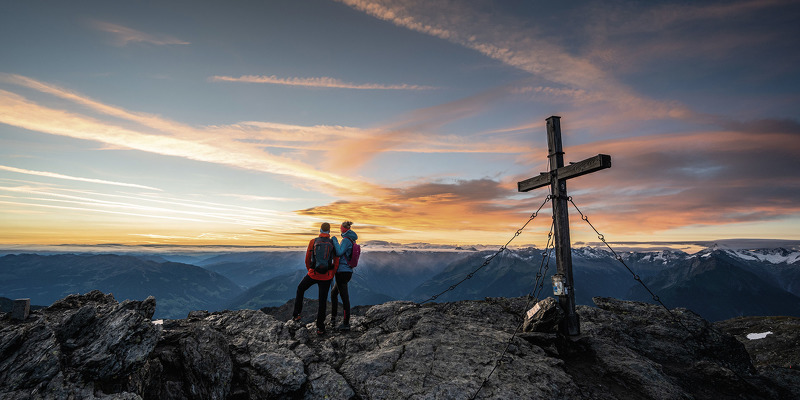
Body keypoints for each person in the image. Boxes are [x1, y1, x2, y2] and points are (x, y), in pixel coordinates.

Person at [292, 222, 339, 335]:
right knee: (322, 302)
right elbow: (336, 260)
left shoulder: (313, 241)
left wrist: (310, 270)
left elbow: (307, 259)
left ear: (320, 230)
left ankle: (296, 315)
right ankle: (320, 328)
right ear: (329, 231)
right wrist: (332, 273)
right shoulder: (332, 243)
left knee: (300, 288)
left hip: (313, 274)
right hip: (326, 276)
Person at [330, 220, 357, 331]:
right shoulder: (351, 239)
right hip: (346, 271)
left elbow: (340, 252)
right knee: (334, 293)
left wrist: (335, 241)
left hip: (342, 272)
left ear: (344, 229)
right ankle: (333, 317)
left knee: (344, 298)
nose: (340, 229)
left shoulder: (346, 240)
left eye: (341, 227)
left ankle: (346, 324)